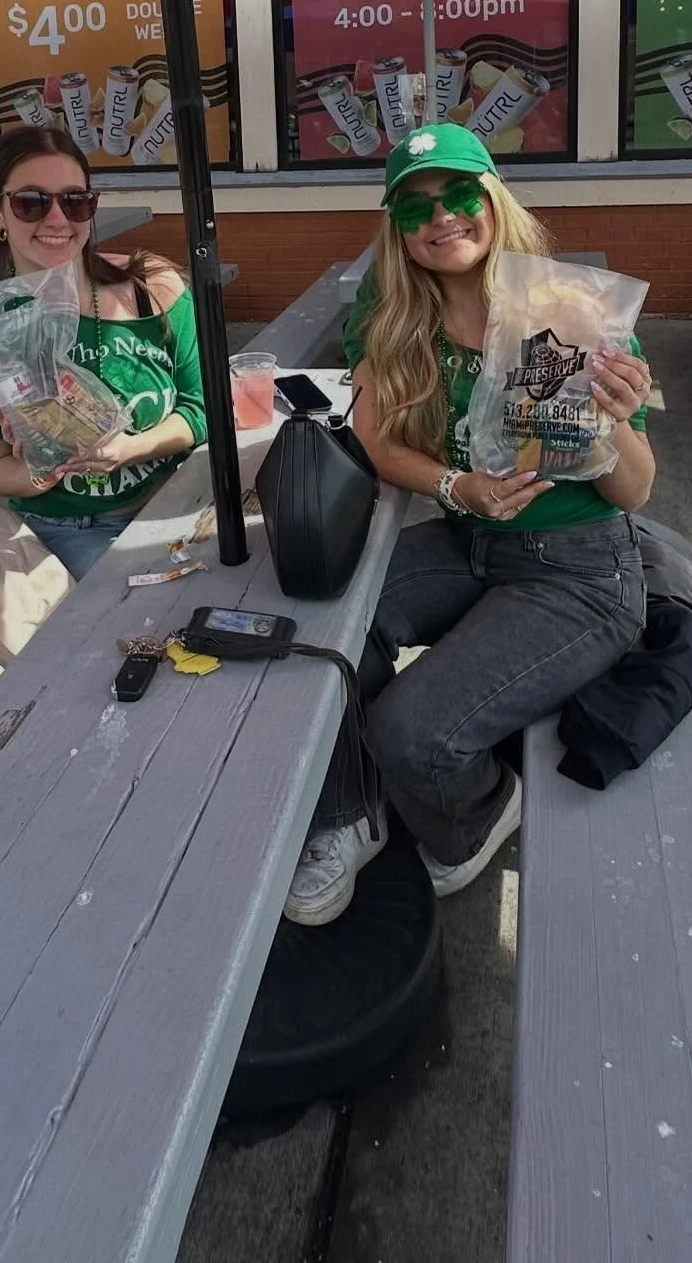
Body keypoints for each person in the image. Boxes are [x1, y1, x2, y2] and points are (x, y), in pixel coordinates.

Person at [285, 124, 655, 925]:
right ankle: (356, 805)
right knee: (328, 629)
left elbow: (636, 492)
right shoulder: (391, 317)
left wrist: (616, 420)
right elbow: (380, 442)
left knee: (411, 731)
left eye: (459, 195)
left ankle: (475, 816)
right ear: (396, 229)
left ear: (493, 199)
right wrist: (458, 487)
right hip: (472, 539)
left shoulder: (570, 311)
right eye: (416, 208)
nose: (441, 219)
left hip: (582, 573)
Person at [0, 126, 206, 581]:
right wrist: (42, 468)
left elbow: (201, 409)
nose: (57, 219)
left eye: (75, 201)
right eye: (31, 202)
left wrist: (129, 449)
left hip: (179, 501)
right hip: (72, 530)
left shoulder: (154, 289)